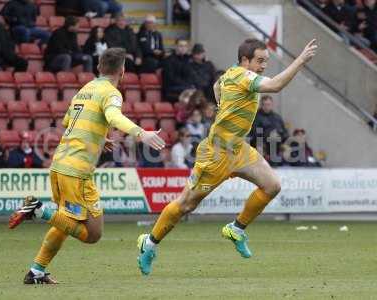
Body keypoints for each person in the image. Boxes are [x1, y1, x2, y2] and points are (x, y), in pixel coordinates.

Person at [136, 38, 318, 275]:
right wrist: (301, 60)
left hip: (238, 149)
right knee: (185, 205)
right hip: (217, 154)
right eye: (259, 61)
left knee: (272, 185)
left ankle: (237, 229)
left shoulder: (231, 74)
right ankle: (149, 244)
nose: (263, 66)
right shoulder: (243, 76)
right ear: (245, 60)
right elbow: (274, 86)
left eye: (266, 61)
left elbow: (216, 85)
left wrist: (223, 104)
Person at [8, 48, 165, 284]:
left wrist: (100, 138)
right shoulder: (111, 93)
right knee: (93, 234)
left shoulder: (85, 89)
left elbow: (68, 122)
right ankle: (38, 209)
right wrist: (141, 133)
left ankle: (36, 271)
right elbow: (113, 117)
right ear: (122, 71)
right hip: (77, 172)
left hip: (60, 164)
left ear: (99, 67)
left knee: (66, 222)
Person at [249, 95, 289, 162]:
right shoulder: (256, 117)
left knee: (288, 147)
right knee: (260, 147)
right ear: (261, 105)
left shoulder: (277, 117)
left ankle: (283, 164)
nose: (267, 106)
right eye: (265, 104)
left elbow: (284, 132)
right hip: (262, 143)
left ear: (272, 105)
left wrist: (284, 139)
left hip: (277, 142)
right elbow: (254, 133)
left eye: (269, 104)